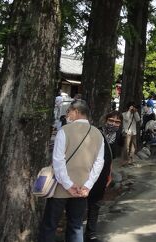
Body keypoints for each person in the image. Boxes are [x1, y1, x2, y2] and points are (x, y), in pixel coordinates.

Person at [38, 100, 104, 242]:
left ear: (76, 111)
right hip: (82, 190)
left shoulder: (64, 131)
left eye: (69, 111)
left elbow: (58, 161)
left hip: (59, 189)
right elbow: (99, 163)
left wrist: (68, 185)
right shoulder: (98, 134)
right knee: (76, 226)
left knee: (50, 226)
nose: (68, 115)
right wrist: (88, 185)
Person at [86, 110, 123, 242]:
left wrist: (109, 174)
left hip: (103, 175)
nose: (114, 124)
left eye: (117, 122)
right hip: (88, 173)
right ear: (106, 120)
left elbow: (111, 158)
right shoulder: (96, 132)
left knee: (95, 204)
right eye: (111, 121)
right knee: (81, 203)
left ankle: (91, 233)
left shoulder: (116, 137)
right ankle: (76, 231)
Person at [121, 102, 141, 166]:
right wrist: (129, 110)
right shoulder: (124, 114)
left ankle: (131, 160)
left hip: (134, 132)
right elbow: (126, 118)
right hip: (127, 132)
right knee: (126, 147)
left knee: (133, 147)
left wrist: (135, 112)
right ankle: (125, 161)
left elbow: (138, 119)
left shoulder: (134, 114)